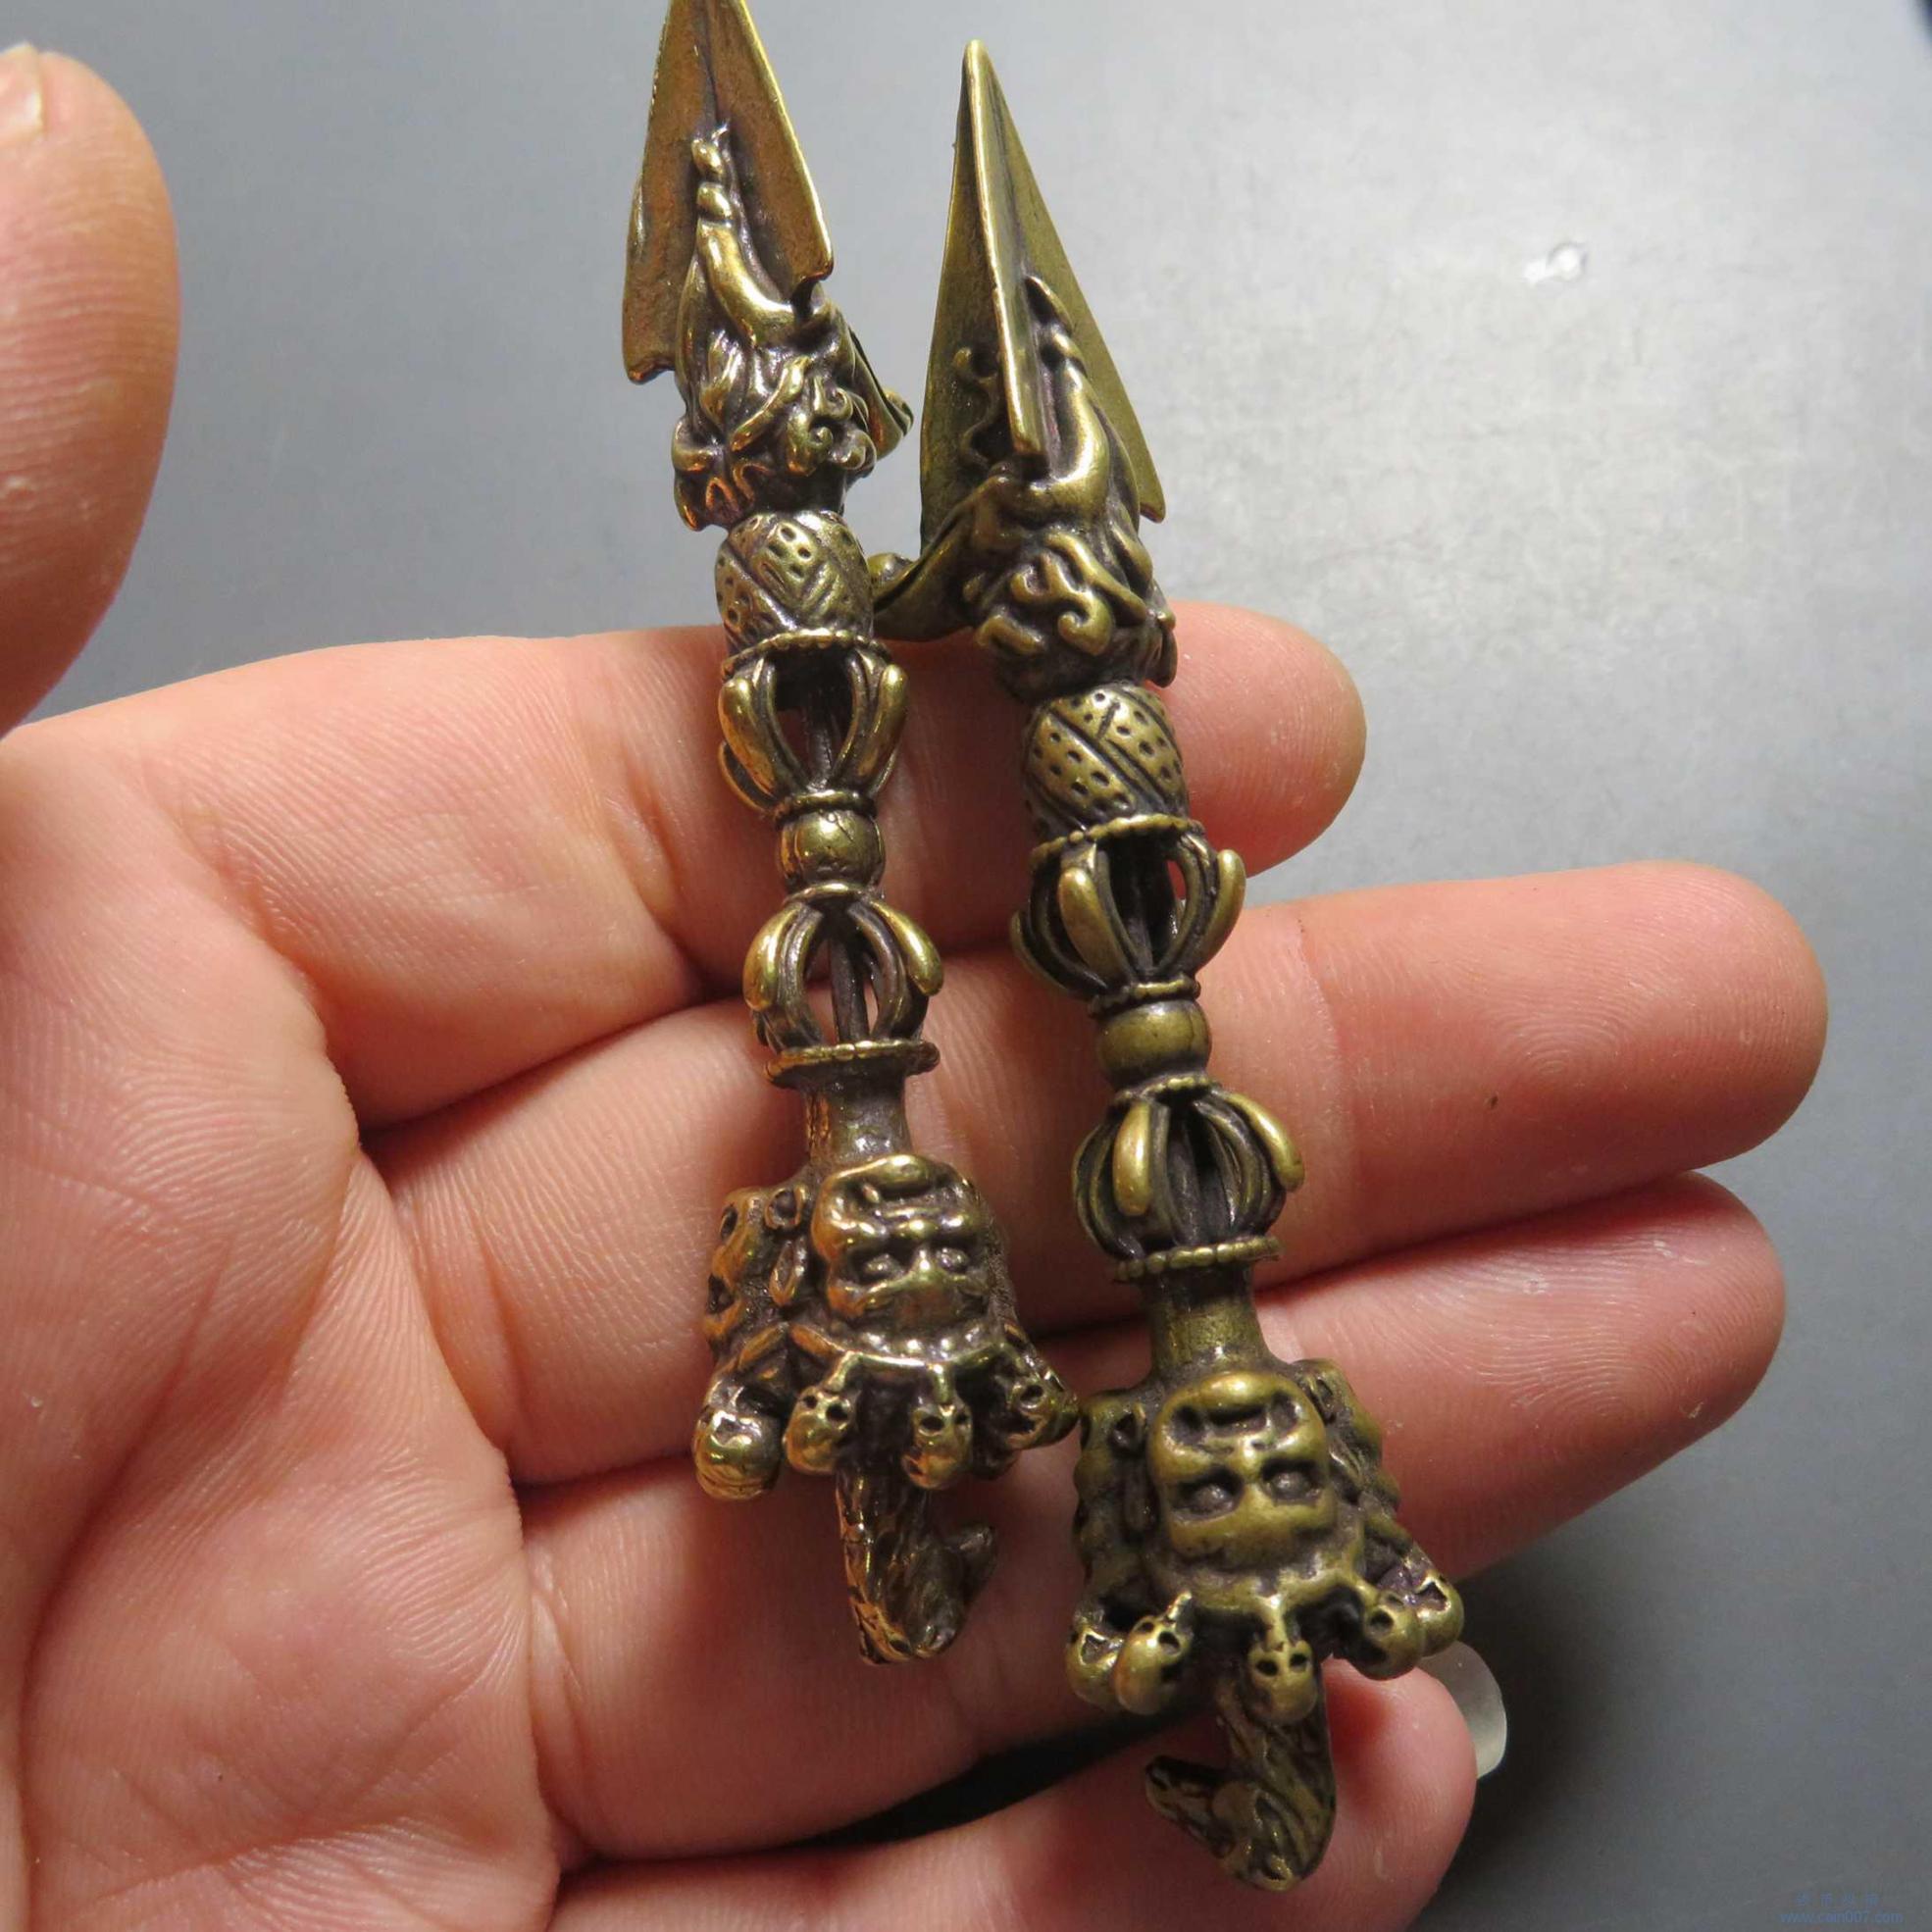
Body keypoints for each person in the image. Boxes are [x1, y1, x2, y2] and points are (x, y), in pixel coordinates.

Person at [0, 47, 1826, 1932]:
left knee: (1034, 1001)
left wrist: (954, 579)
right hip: (932, 882)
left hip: (972, 869)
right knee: (995, 991)